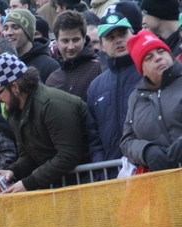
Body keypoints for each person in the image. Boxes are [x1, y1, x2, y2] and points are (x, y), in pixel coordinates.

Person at [0, 53, 89, 192]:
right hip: (60, 185)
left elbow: (68, 155)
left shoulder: (51, 104)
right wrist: (12, 172)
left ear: (15, 87)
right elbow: (29, 155)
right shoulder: (15, 112)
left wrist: (29, 183)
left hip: (85, 183)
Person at [86, 13, 141, 176]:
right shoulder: (96, 87)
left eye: (123, 34)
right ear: (101, 45)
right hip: (113, 177)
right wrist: (102, 171)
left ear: (133, 35)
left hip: (148, 170)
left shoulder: (147, 72)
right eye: (110, 37)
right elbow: (94, 137)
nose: (118, 40)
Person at [120, 31, 182, 172]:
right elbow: (127, 141)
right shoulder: (135, 98)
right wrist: (145, 151)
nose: (158, 58)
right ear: (142, 69)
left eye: (161, 52)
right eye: (149, 57)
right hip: (162, 184)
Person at [45, 10, 102, 102]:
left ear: (84, 38)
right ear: (56, 41)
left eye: (75, 40)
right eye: (65, 41)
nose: (71, 47)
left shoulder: (99, 68)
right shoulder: (52, 80)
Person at [3, 9, 59, 83]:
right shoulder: (4, 63)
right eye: (6, 28)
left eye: (15, 27)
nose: (9, 33)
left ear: (28, 32)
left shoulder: (49, 66)